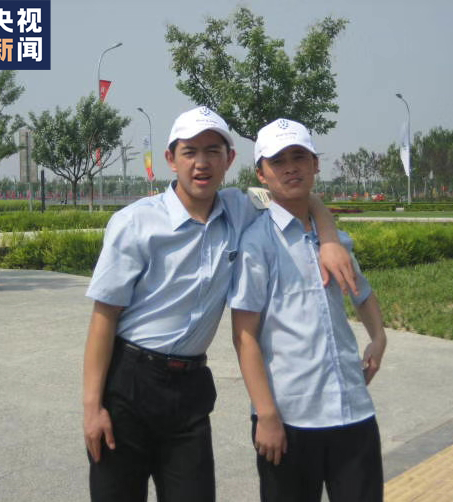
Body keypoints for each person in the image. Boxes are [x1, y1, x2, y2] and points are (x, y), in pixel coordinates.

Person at [82, 106, 358, 502]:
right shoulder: (136, 223)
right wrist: (93, 407)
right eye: (190, 151)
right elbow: (104, 317)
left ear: (229, 159)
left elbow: (300, 196)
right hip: (129, 384)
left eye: (213, 151)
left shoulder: (240, 208)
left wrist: (328, 239)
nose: (202, 162)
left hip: (189, 390)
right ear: (171, 159)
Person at [229, 118, 387, 502]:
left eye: (299, 156)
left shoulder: (335, 240)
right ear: (261, 174)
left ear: (315, 164)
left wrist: (379, 337)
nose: (290, 168)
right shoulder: (257, 243)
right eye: (278, 160)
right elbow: (244, 335)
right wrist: (266, 415)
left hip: (352, 411)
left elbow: (362, 293)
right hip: (290, 419)